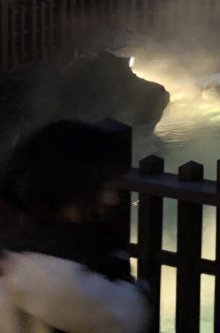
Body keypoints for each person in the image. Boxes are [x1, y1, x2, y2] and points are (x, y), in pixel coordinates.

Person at [0, 121, 151, 333]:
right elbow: (124, 316)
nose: (112, 199)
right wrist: (142, 293)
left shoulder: (18, 237)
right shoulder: (46, 268)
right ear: (73, 187)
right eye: (105, 187)